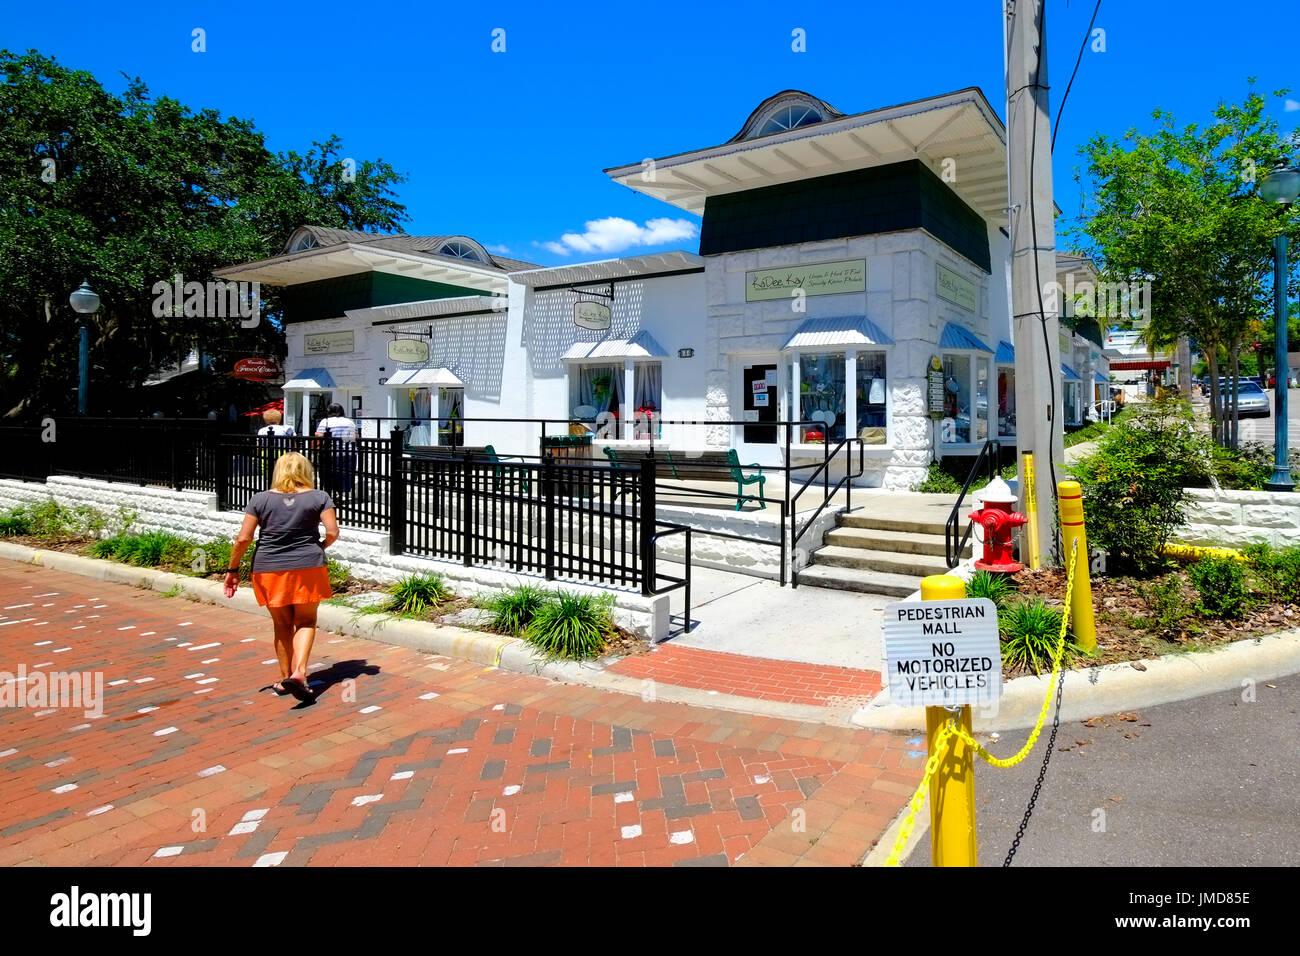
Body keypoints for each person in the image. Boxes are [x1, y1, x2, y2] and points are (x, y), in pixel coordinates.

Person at [224, 452, 339, 703]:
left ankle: (285, 678)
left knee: (282, 623)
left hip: (268, 567)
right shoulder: (320, 497)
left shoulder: (260, 499)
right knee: (306, 620)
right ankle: (299, 674)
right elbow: (332, 532)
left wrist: (232, 570)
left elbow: (244, 538)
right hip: (308, 565)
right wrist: (319, 547)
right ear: (306, 471)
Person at [314, 402, 358, 497]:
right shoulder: (350, 421)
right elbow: (355, 436)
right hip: (349, 452)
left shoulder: (326, 421)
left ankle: (333, 493)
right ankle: (341, 493)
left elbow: (319, 435)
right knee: (346, 474)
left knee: (330, 474)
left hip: (332, 452)